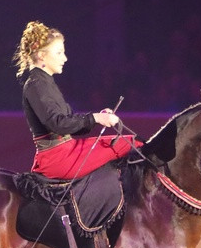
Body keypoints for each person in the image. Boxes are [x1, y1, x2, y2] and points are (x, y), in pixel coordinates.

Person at [13, 21, 122, 179]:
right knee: (130, 146)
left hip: (66, 151)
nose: (64, 58)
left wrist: (98, 118)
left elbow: (70, 122)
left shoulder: (45, 82)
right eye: (59, 53)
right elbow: (57, 124)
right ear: (42, 55)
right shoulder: (36, 85)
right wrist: (96, 118)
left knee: (127, 144)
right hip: (57, 158)